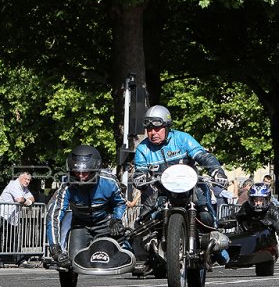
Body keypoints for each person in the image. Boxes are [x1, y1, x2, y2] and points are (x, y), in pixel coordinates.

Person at [133, 105, 229, 263]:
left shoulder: (183, 139)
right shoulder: (143, 148)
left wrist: (216, 171)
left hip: (191, 187)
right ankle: (151, 251)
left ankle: (214, 244)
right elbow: (140, 170)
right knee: (146, 219)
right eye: (149, 129)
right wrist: (139, 178)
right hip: (162, 191)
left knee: (205, 214)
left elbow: (203, 156)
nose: (153, 133)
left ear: (167, 126)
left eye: (157, 128)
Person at [47, 145, 127, 270]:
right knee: (74, 264)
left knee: (124, 249)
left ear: (95, 169)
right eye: (76, 172)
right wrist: (54, 247)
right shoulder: (66, 186)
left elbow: (120, 203)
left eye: (85, 172)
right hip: (80, 225)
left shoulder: (110, 181)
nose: (80, 176)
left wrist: (116, 220)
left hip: (105, 223)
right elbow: (54, 216)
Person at [0, 171, 35, 266]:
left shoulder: (24, 188)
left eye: (29, 180)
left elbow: (32, 198)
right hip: (1, 214)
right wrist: (28, 202)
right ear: (20, 178)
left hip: (12, 217)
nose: (27, 181)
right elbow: (19, 199)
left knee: (13, 238)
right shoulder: (13, 185)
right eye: (25, 179)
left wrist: (27, 201)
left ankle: (19, 260)